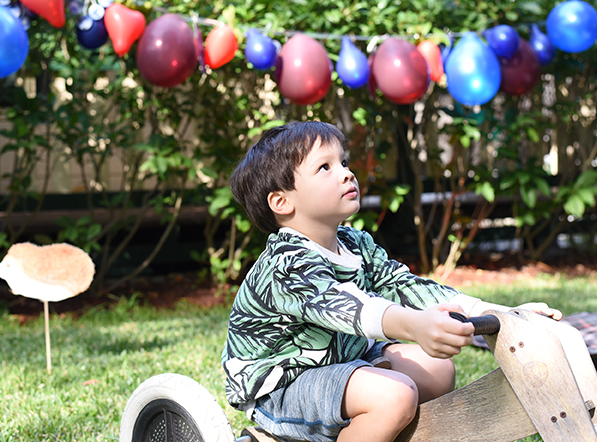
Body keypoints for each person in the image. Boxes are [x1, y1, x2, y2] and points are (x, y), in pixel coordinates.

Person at [222, 121, 562, 442]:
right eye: (325, 168)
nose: (346, 173)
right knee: (395, 396)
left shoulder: (355, 243)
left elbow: (404, 286)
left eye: (343, 162)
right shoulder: (287, 264)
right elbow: (348, 307)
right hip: (282, 385)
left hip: (339, 361)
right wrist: (413, 326)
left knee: (438, 370)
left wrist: (503, 313)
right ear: (282, 201)